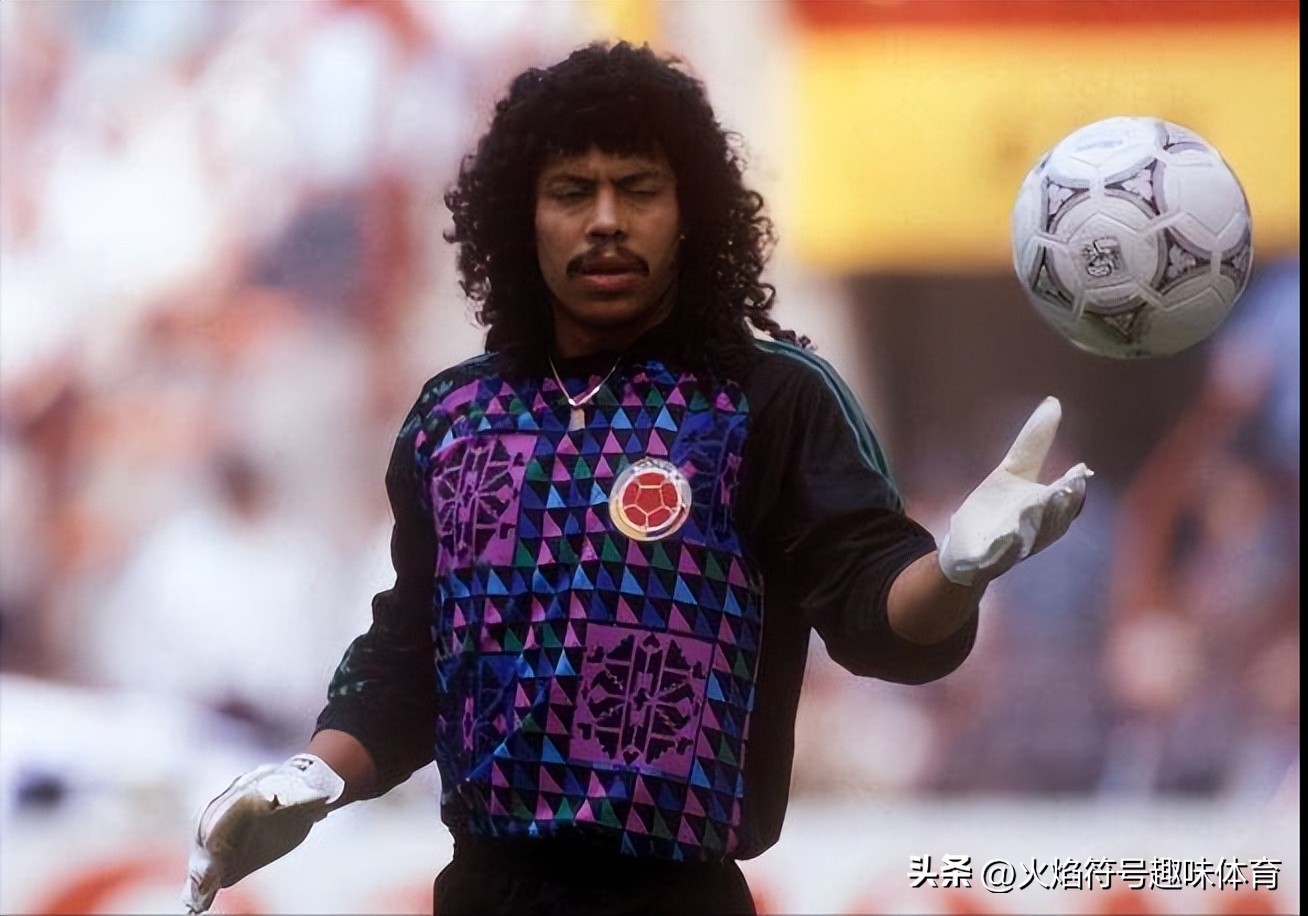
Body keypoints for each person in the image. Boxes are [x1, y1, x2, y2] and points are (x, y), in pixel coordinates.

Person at [183, 41, 1090, 915]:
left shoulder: (764, 398)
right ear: (522, 219)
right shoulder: (453, 417)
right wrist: (314, 778)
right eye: (572, 192)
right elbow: (411, 655)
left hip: (678, 895)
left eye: (639, 188)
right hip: (483, 894)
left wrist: (956, 573)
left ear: (690, 211)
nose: (606, 219)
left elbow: (877, 615)